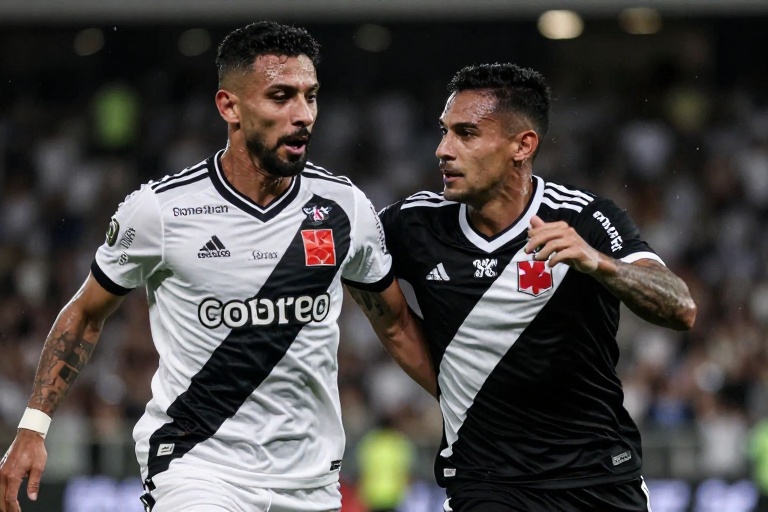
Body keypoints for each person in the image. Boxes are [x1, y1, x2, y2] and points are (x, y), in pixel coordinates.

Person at [0, 21, 434, 512]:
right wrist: (33, 426)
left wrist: (470, 412)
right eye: (280, 96)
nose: (303, 115)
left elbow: (395, 322)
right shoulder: (161, 211)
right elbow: (85, 312)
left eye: (310, 96)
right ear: (229, 106)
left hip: (310, 481)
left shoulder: (344, 207)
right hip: (196, 468)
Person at [378, 62, 697, 512]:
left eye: (466, 134)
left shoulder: (585, 217)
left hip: (597, 477)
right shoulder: (413, 225)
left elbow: (681, 307)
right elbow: (371, 291)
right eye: (444, 131)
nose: (443, 150)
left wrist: (599, 263)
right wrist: (456, 387)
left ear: (522, 145)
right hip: (486, 481)